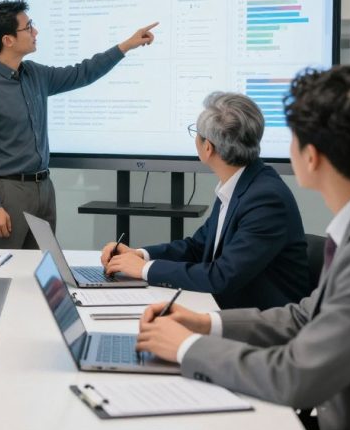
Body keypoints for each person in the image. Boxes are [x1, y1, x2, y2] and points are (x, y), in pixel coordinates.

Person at [136, 66, 350, 430]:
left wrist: (188, 347)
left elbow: (296, 377)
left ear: (311, 156)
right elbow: (306, 317)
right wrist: (206, 324)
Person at [0, 0, 158, 249]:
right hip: (9, 193)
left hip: (43, 189)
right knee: (6, 272)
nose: (35, 32)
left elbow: (82, 72)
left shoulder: (34, 74)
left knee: (43, 270)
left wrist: (125, 46)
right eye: (28, 27)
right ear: (7, 40)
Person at [101, 92, 309, 310]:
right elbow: (198, 247)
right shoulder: (239, 184)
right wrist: (140, 254)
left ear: (207, 148)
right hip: (232, 310)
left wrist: (145, 269)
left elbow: (222, 277)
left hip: (263, 324)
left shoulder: (265, 199)